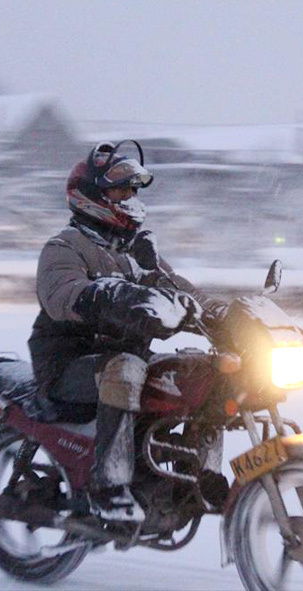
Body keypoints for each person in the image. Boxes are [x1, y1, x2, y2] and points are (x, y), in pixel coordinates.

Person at [28, 140, 225, 522]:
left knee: (206, 372)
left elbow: (179, 287)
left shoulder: (135, 250)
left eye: (132, 190)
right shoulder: (64, 246)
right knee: (126, 369)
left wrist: (223, 314)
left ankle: (202, 475)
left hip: (124, 355)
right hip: (67, 363)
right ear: (91, 196)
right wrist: (111, 294)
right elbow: (61, 295)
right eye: (120, 190)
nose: (130, 198)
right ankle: (109, 485)